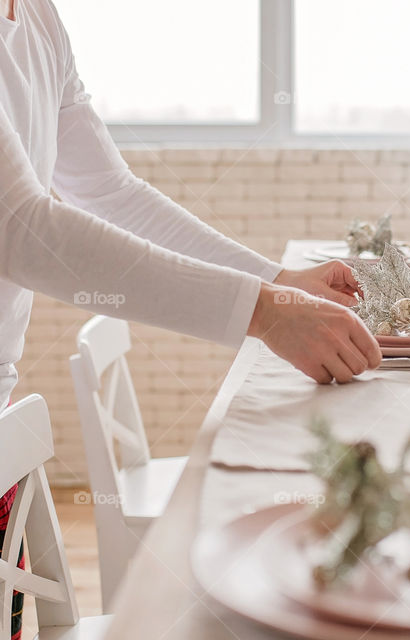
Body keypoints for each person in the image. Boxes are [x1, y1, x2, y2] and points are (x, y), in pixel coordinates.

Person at [0, 1, 381, 635]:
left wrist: (275, 283)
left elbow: (110, 193)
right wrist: (265, 312)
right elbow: (19, 229)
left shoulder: (37, 16)